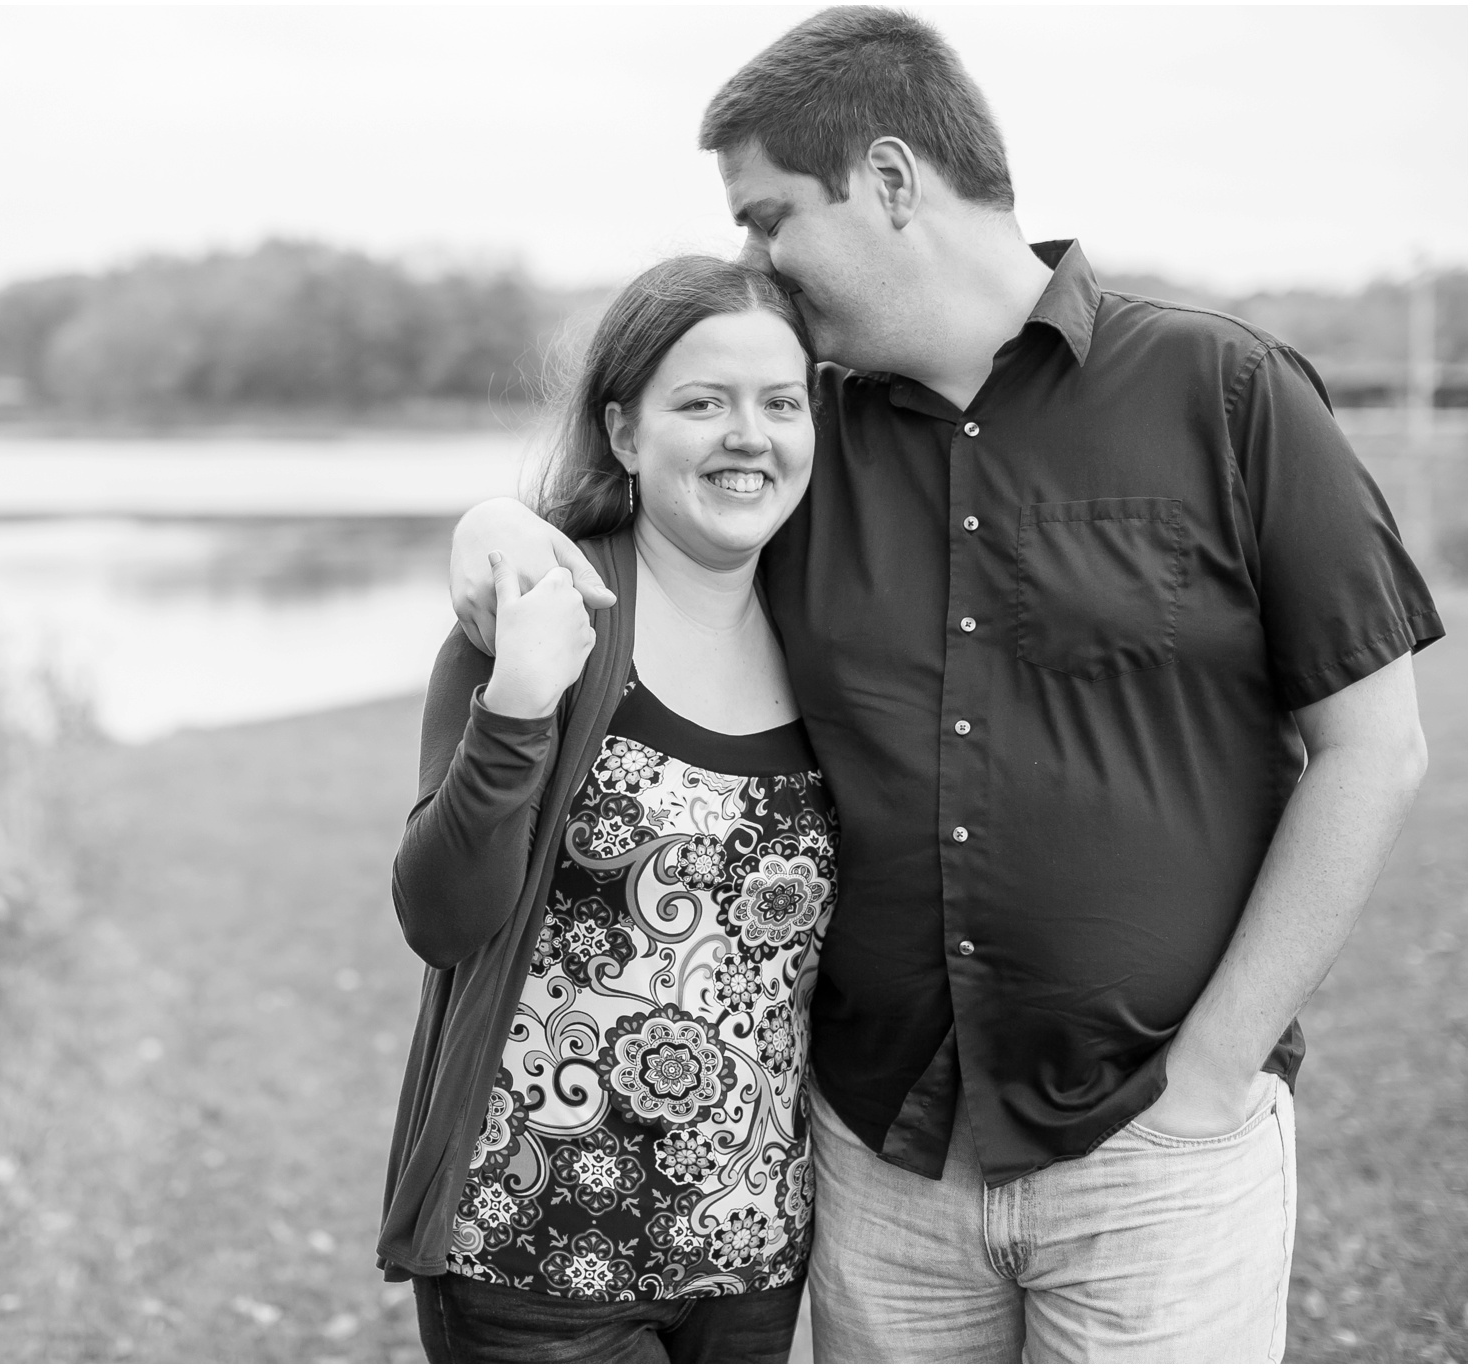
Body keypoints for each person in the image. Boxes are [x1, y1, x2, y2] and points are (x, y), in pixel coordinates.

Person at [444, 7, 1440, 1363]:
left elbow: (1373, 746)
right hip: (887, 1160)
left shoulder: (1225, 391)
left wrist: (1215, 1072)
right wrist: (491, 535)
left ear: (892, 183)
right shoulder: (804, 440)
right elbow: (626, 519)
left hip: (1157, 1154)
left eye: (770, 217)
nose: (757, 262)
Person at [377, 255, 834, 1362]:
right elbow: (440, 918)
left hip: (747, 1248)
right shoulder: (545, 614)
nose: (747, 435)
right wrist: (519, 704)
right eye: (701, 403)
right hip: (533, 1249)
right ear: (624, 431)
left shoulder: (834, 630)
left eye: (779, 403)